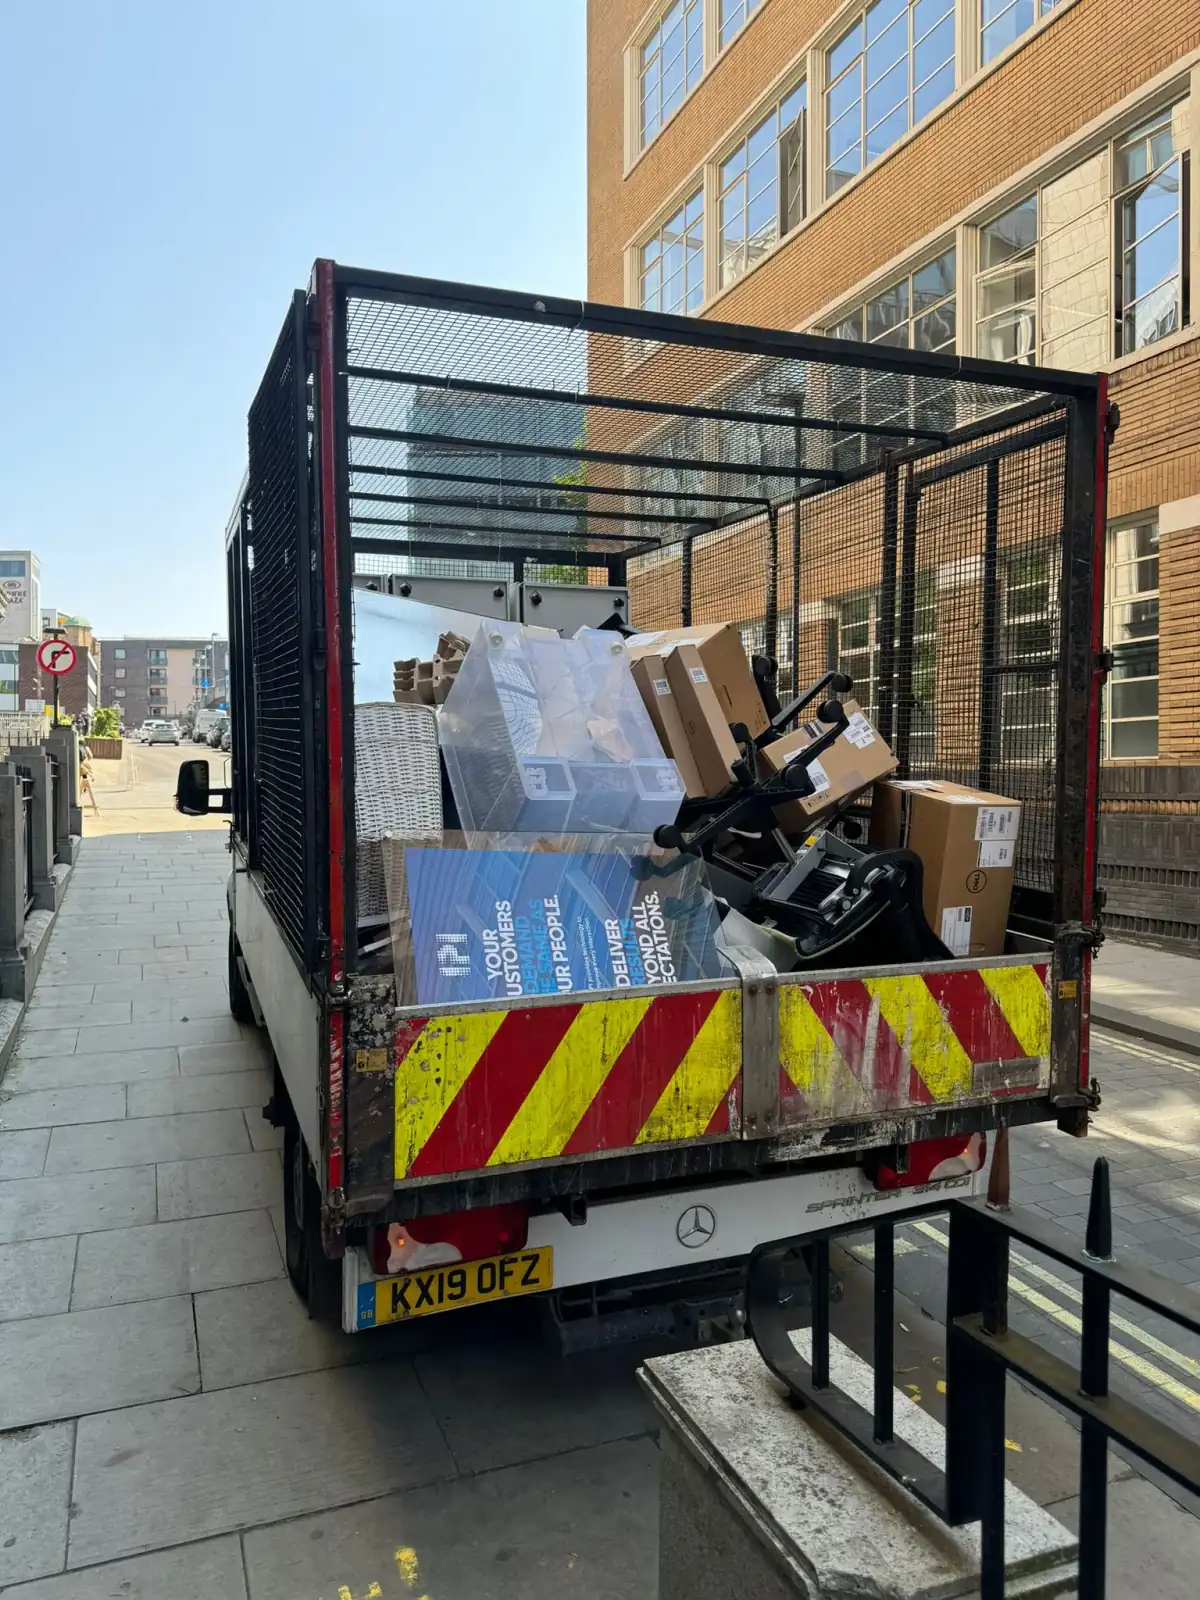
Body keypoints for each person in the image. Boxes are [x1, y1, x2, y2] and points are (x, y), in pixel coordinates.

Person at [79, 741, 99, 815]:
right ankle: (84, 788)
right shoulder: (86, 748)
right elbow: (91, 756)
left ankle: (79, 795)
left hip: (78, 766)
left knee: (79, 782)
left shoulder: (76, 747)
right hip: (85, 767)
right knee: (85, 779)